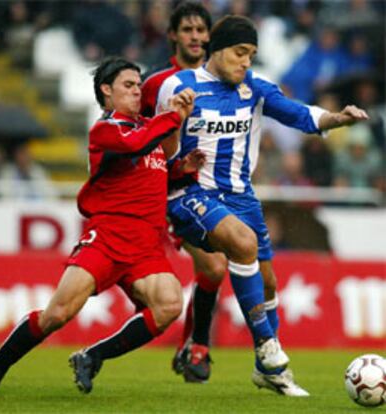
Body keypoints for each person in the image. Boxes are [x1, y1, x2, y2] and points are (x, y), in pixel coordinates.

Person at [157, 15, 368, 395]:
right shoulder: (179, 86)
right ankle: (268, 349)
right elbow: (160, 150)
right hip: (191, 195)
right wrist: (174, 120)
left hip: (242, 197)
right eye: (240, 53)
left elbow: (297, 112)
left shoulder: (253, 88)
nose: (246, 62)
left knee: (268, 281)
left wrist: (337, 118)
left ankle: (266, 372)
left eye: (251, 55)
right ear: (217, 49)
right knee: (242, 243)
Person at [0, 56, 199, 400]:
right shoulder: (106, 130)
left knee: (169, 304)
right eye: (128, 85)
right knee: (57, 314)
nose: (138, 91)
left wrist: (182, 165)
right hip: (107, 238)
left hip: (146, 245)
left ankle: (93, 356)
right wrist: (171, 117)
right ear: (106, 91)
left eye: (139, 85)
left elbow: (160, 167)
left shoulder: (147, 129)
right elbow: (135, 146)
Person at [142, 2, 308, 396]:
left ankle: (198, 344)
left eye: (202, 29)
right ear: (173, 36)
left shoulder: (236, 82)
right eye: (188, 30)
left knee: (224, 270)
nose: (196, 36)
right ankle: (207, 344)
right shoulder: (160, 83)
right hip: (179, 193)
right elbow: (138, 130)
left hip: (229, 196)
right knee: (219, 265)